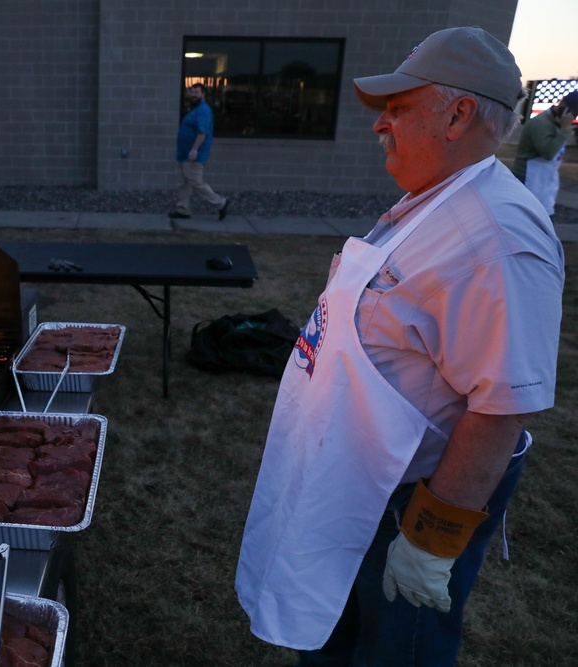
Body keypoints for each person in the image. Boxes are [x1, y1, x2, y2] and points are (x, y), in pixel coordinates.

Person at [234, 27, 564, 667]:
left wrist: (430, 541)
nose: (380, 125)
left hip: (411, 497)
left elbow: (500, 406)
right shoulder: (430, 201)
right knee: (330, 630)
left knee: (393, 650)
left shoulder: (497, 240)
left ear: (458, 115)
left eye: (398, 107)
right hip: (354, 473)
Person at [511, 90, 578, 218]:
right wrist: (564, 131)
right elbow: (548, 153)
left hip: (544, 180)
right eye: (574, 114)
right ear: (566, 109)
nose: (573, 118)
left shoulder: (556, 123)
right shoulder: (541, 123)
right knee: (526, 217)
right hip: (528, 178)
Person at [169, 83, 229, 221]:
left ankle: (221, 203)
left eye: (196, 92)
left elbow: (202, 133)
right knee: (183, 183)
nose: (193, 95)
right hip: (184, 153)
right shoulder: (194, 109)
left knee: (196, 182)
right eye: (192, 92)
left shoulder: (203, 111)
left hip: (194, 155)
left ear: (203, 94)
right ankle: (183, 210)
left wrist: (194, 149)